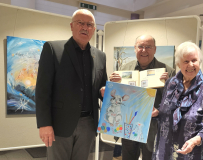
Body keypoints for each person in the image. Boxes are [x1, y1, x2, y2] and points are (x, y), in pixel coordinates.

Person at [35, 9, 107, 160]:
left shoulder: (100, 56)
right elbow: (42, 91)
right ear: (71, 26)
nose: (84, 27)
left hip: (88, 124)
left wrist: (104, 91)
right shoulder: (53, 49)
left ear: (94, 29)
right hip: (59, 124)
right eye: (80, 23)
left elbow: (102, 87)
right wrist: (44, 124)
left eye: (89, 24)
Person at [110, 35, 175, 160]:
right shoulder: (124, 69)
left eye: (148, 47)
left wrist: (168, 85)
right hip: (129, 123)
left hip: (154, 127)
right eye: (140, 46)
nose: (144, 50)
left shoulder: (168, 71)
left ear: (155, 49)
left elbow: (174, 101)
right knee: (128, 156)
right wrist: (114, 84)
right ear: (135, 48)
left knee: (150, 157)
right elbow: (117, 96)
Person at [152, 42, 203, 160]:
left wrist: (195, 140)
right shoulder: (170, 84)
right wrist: (157, 112)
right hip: (164, 150)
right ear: (178, 64)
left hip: (190, 153)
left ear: (199, 62)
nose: (191, 65)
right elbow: (165, 110)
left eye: (194, 60)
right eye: (186, 61)